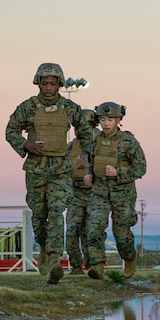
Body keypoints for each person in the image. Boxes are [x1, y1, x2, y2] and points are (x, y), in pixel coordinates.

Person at [5, 62, 95, 285]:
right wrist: (27, 145)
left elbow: (85, 131)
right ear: (38, 83)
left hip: (60, 170)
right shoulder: (28, 107)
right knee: (39, 216)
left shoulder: (70, 107)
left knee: (56, 212)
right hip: (36, 169)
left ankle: (55, 261)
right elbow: (10, 131)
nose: (48, 87)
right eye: (44, 83)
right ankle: (44, 247)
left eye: (52, 84)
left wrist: (85, 154)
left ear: (59, 85)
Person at [83, 102, 146, 279]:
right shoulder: (95, 140)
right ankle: (97, 265)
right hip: (100, 191)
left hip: (123, 193)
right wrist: (89, 175)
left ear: (118, 119)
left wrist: (119, 172)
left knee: (121, 232)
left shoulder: (128, 142)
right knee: (94, 226)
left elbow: (141, 168)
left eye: (110, 119)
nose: (106, 123)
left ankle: (129, 258)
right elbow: (93, 162)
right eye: (102, 119)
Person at [65, 110, 98, 275]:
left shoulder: (101, 143)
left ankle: (93, 266)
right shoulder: (72, 146)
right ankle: (76, 266)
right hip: (75, 192)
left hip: (95, 193)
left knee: (90, 232)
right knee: (71, 230)